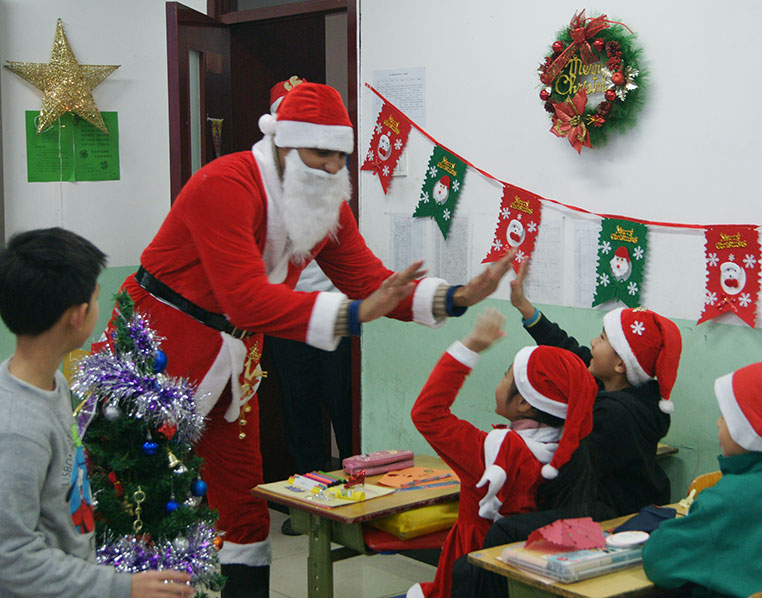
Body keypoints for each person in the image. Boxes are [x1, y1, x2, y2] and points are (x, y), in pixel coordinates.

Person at [106, 80, 515, 596]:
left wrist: (459, 296)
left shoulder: (325, 205)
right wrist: (355, 314)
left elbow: (371, 283)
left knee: (242, 502)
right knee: (134, 493)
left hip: (235, 366)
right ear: (284, 142)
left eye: (339, 157)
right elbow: (246, 299)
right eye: (320, 153)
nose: (330, 168)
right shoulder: (224, 184)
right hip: (160, 349)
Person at [451, 258, 682, 598]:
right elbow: (573, 353)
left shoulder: (614, 414)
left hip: (607, 520)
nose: (593, 343)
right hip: (612, 503)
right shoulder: (633, 395)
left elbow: (568, 467)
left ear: (620, 364)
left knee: (502, 532)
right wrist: (526, 310)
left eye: (602, 339)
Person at [0, 227, 193, 598]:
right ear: (78, 316)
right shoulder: (16, 430)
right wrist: (119, 586)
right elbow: (11, 559)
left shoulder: (51, 384)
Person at [408, 308, 598, 598]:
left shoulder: (493, 456)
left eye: (506, 376)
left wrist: (468, 348)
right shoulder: (569, 452)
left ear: (524, 404)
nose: (499, 383)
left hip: (475, 570)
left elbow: (427, 414)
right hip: (524, 576)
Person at [642, 355, 762, 597]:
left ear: (747, 432)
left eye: (726, 417)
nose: (718, 423)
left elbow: (659, 560)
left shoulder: (727, 497)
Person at [261, 80, 354, 529]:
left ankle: (357, 501)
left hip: (335, 313)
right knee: (299, 412)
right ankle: (308, 507)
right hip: (284, 317)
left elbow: (358, 264)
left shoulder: (331, 193)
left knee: (343, 405)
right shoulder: (259, 182)